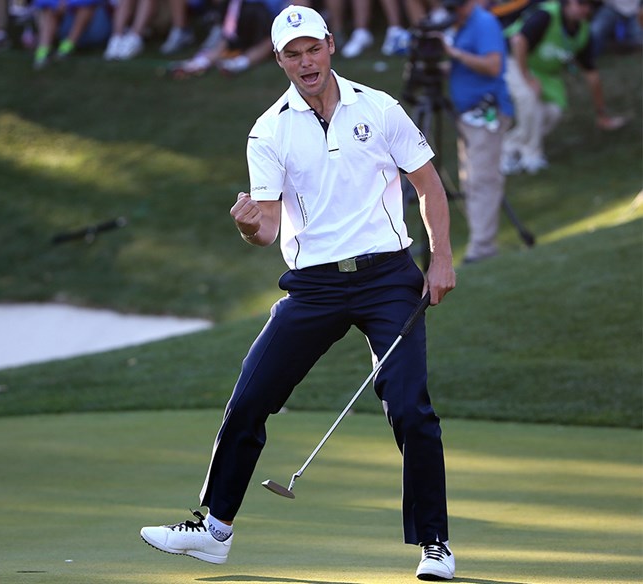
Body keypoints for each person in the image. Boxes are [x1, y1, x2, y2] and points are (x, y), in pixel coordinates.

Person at [140, 5, 457, 581]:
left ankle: (434, 544)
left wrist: (441, 259)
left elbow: (429, 187)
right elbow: (264, 230)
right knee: (250, 395)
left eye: (313, 49)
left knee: (410, 407)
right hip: (313, 285)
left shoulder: (380, 108)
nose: (305, 61)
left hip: (389, 278)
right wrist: (244, 223)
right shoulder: (269, 130)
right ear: (281, 60)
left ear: (330, 47)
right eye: (292, 53)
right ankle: (214, 529)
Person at [500, 0, 627, 174]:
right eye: (580, 3)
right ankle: (531, 155)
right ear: (567, 3)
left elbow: (592, 74)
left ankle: (508, 147)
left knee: (553, 112)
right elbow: (519, 42)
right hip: (515, 61)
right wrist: (528, 78)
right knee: (528, 98)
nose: (585, 9)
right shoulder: (546, 15)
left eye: (589, 5)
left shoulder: (582, 31)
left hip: (546, 74)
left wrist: (601, 113)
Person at [442, 0, 514, 263]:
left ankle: (482, 247)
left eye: (458, 6)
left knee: (482, 180)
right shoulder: (460, 24)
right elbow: (466, 65)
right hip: (469, 116)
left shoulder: (483, 22)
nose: (454, 11)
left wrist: (455, 53)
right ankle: (480, 242)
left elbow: (493, 65)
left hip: (487, 111)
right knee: (472, 180)